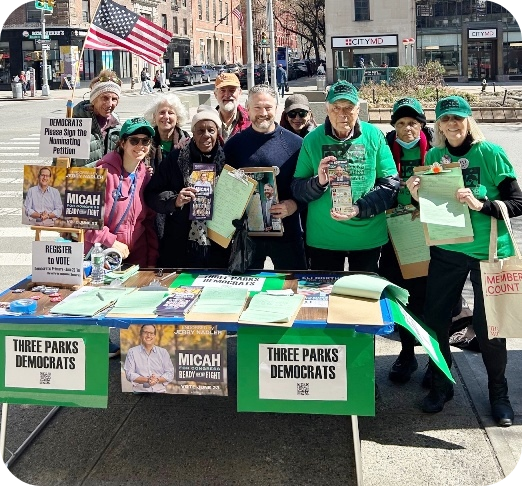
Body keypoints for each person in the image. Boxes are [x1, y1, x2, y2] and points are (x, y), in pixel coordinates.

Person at [406, 95, 522, 426]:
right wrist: (416, 195)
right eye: (445, 119)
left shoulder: (490, 153)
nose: (452, 124)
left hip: (488, 253)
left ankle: (498, 392)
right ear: (439, 126)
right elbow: (434, 205)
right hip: (448, 250)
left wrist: (482, 205)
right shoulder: (435, 156)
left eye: (457, 118)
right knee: (435, 320)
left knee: (489, 327)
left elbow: (517, 202)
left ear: (468, 121)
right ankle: (442, 385)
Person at [291, 80, 399, 273]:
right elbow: (298, 189)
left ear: (358, 109)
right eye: (336, 108)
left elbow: (390, 185)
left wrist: (359, 208)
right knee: (326, 292)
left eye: (348, 107)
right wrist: (319, 182)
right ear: (327, 109)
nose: (342, 114)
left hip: (367, 237)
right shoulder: (312, 140)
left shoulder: (374, 135)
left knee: (363, 292)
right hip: (324, 239)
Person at [224, 84, 307, 271]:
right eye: (257, 107)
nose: (263, 113)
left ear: (276, 108)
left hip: (287, 232)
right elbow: (225, 189)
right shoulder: (234, 145)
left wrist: (294, 205)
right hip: (248, 235)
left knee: (291, 284)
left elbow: (308, 186)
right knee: (246, 285)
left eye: (268, 107)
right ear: (248, 109)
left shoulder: (296, 144)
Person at [144, 106, 230, 269]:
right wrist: (175, 200)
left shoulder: (228, 159)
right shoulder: (176, 158)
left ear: (217, 133)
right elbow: (152, 194)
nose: (206, 135)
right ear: (193, 134)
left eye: (211, 130)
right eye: (200, 131)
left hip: (218, 244)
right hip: (180, 243)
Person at [142, 93, 191, 244]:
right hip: (152, 209)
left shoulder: (187, 143)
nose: (166, 117)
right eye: (162, 112)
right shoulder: (144, 143)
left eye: (171, 113)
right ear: (154, 116)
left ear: (178, 117)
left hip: (180, 214)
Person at [66, 69, 122, 167]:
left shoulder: (117, 127)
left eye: (114, 99)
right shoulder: (74, 125)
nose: (110, 104)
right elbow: (59, 165)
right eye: (105, 98)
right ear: (94, 100)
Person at [123, 324, 174, 393]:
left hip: (161, 393)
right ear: (141, 335)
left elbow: (170, 373)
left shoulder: (163, 352)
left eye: (151, 333)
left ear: (155, 336)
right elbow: (129, 374)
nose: (148, 336)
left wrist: (157, 380)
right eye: (146, 332)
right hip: (140, 393)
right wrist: (147, 380)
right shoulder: (132, 352)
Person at [213, 72, 250, 141]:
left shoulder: (250, 120)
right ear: (215, 94)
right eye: (223, 90)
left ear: (240, 92)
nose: (227, 95)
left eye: (232, 90)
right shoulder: (208, 120)